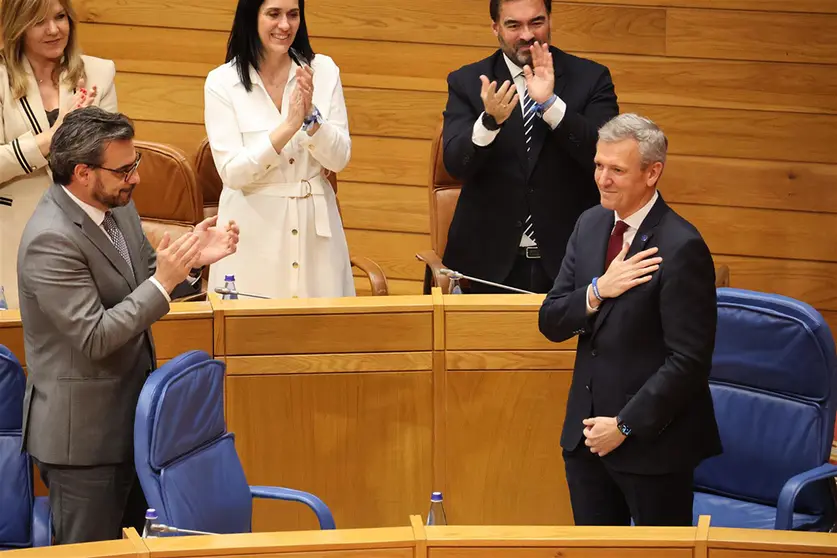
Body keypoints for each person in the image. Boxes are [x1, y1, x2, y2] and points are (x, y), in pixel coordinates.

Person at [17, 107, 240, 544]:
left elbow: (145, 277)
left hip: (133, 430)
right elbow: (95, 336)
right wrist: (164, 280)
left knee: (139, 547)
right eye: (124, 169)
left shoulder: (117, 207)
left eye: (133, 164)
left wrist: (191, 261)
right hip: (82, 443)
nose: (135, 177)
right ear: (83, 172)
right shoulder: (51, 239)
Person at [538, 113, 722, 526]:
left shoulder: (681, 247)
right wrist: (597, 290)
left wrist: (623, 426)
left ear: (652, 173)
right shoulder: (589, 225)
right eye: (599, 165)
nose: (603, 178)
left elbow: (688, 362)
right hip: (586, 443)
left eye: (617, 170)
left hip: (653, 447)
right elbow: (551, 320)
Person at [440, 0, 619, 294]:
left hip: (569, 259)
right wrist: (489, 123)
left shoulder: (591, 78)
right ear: (495, 27)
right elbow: (456, 164)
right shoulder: (468, 81)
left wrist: (551, 106)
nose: (527, 34)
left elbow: (604, 155)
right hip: (487, 263)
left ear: (550, 20)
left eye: (536, 22)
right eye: (513, 25)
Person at [204, 0, 353, 299]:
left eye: (293, 14)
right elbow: (233, 173)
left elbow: (339, 158)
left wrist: (311, 118)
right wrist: (287, 128)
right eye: (274, 14)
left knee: (322, 335)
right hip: (250, 233)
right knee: (251, 336)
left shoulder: (322, 70)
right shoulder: (222, 82)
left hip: (316, 233)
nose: (285, 25)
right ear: (251, 17)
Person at [0, 0, 118, 309]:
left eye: (60, 17)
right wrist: (50, 139)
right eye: (39, 21)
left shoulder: (98, 73)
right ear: (18, 26)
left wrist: (85, 139)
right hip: (14, 236)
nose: (54, 30)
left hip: (83, 234)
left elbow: (111, 160)